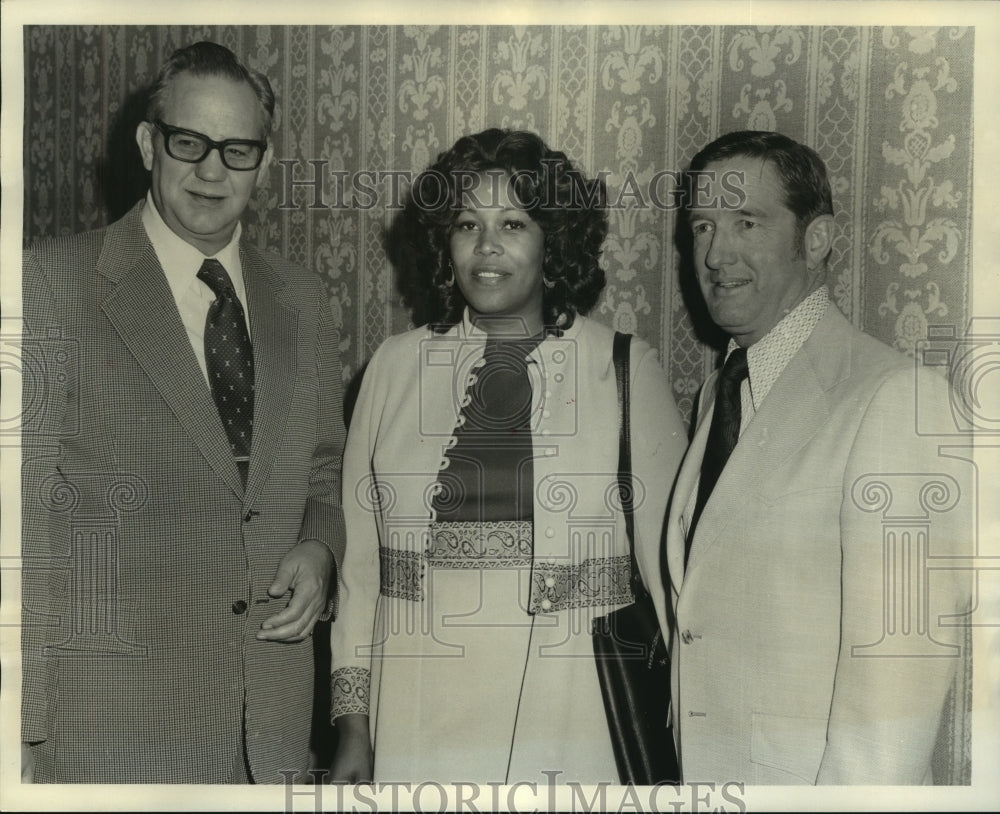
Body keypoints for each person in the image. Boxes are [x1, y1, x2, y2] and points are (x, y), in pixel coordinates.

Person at [20, 41, 345, 784]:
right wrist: (24, 734)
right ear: (148, 143)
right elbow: (21, 530)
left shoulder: (303, 300)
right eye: (189, 142)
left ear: (263, 163)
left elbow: (324, 470)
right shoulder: (52, 286)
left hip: (268, 736)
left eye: (237, 150)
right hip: (109, 736)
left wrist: (322, 548)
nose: (211, 171)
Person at [329, 128, 687, 783]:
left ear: (554, 240)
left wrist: (686, 723)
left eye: (514, 223)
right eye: (468, 224)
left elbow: (674, 577)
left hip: (571, 712)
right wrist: (352, 723)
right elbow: (359, 570)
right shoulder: (392, 368)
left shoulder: (626, 371)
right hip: (416, 705)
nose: (487, 247)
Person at [662, 130, 971, 784]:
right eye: (702, 226)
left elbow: (897, 690)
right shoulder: (720, 398)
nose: (717, 253)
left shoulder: (895, 402)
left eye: (747, 222)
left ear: (817, 238)